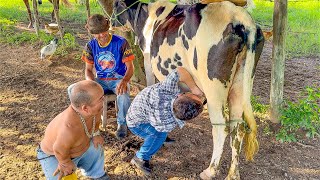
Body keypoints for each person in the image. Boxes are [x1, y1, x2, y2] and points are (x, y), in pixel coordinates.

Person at [126, 67, 206, 175]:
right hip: (136, 123)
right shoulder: (166, 124)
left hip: (141, 112)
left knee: (160, 132)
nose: (196, 94)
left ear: (179, 95)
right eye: (194, 95)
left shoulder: (166, 89)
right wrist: (195, 88)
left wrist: (193, 89)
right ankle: (140, 158)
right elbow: (160, 127)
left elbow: (179, 70)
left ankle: (157, 141)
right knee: (158, 136)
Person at [37, 80, 109, 180]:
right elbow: (58, 149)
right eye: (101, 98)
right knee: (62, 176)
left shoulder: (95, 110)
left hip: (79, 148)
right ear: (85, 108)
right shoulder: (68, 127)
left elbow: (95, 122)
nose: (104, 99)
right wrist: (65, 162)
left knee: (96, 146)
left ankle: (97, 173)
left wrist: (96, 133)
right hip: (55, 155)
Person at [82, 14, 134, 139]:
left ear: (108, 27)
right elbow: (88, 70)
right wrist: (91, 83)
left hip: (118, 79)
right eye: (97, 33)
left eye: (104, 31)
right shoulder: (90, 46)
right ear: (92, 33)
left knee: (124, 92)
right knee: (77, 91)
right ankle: (89, 123)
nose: (101, 35)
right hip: (100, 80)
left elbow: (130, 67)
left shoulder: (121, 43)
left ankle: (122, 124)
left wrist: (125, 80)